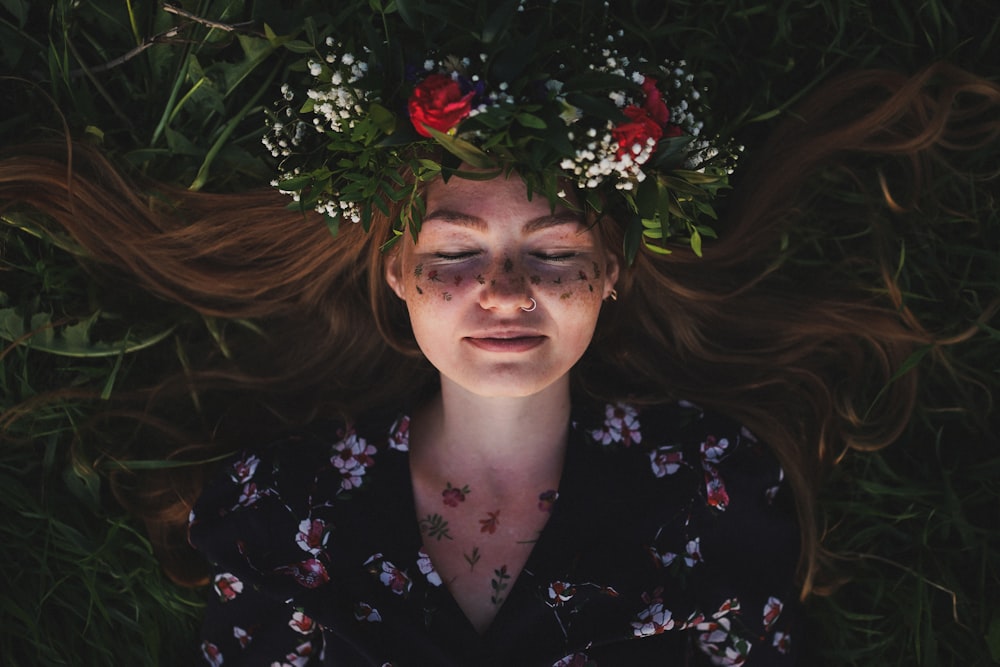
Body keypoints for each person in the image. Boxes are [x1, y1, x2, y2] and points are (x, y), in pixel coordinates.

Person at [2, 2, 998, 665]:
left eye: (555, 253)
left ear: (611, 271)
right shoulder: (278, 500)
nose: (506, 291)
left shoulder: (710, 480)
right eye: (452, 255)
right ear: (396, 273)